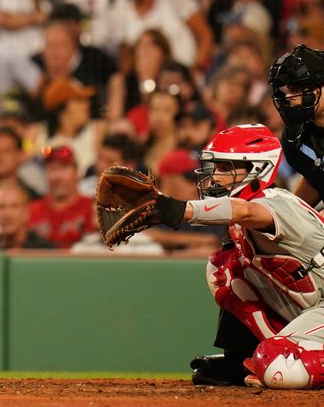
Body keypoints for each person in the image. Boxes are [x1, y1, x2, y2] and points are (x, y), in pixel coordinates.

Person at [124, 124, 324, 389]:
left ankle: (279, 356)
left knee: (281, 369)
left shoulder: (276, 201)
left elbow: (247, 212)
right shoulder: (246, 212)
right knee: (224, 270)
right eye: (216, 167)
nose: (216, 177)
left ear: (258, 169)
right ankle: (241, 358)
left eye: (227, 168)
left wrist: (172, 209)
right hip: (313, 304)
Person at [268, 45, 324, 206]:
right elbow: (316, 178)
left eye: (297, 88)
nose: (289, 97)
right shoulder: (295, 137)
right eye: (288, 90)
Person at [28, 145, 95, 248]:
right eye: (52, 169)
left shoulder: (92, 209)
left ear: (77, 172)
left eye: (64, 168)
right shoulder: (32, 210)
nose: (57, 176)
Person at [0, 181, 53, 250]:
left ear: (26, 211)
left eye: (14, 206)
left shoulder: (46, 251)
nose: (7, 214)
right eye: (1, 207)